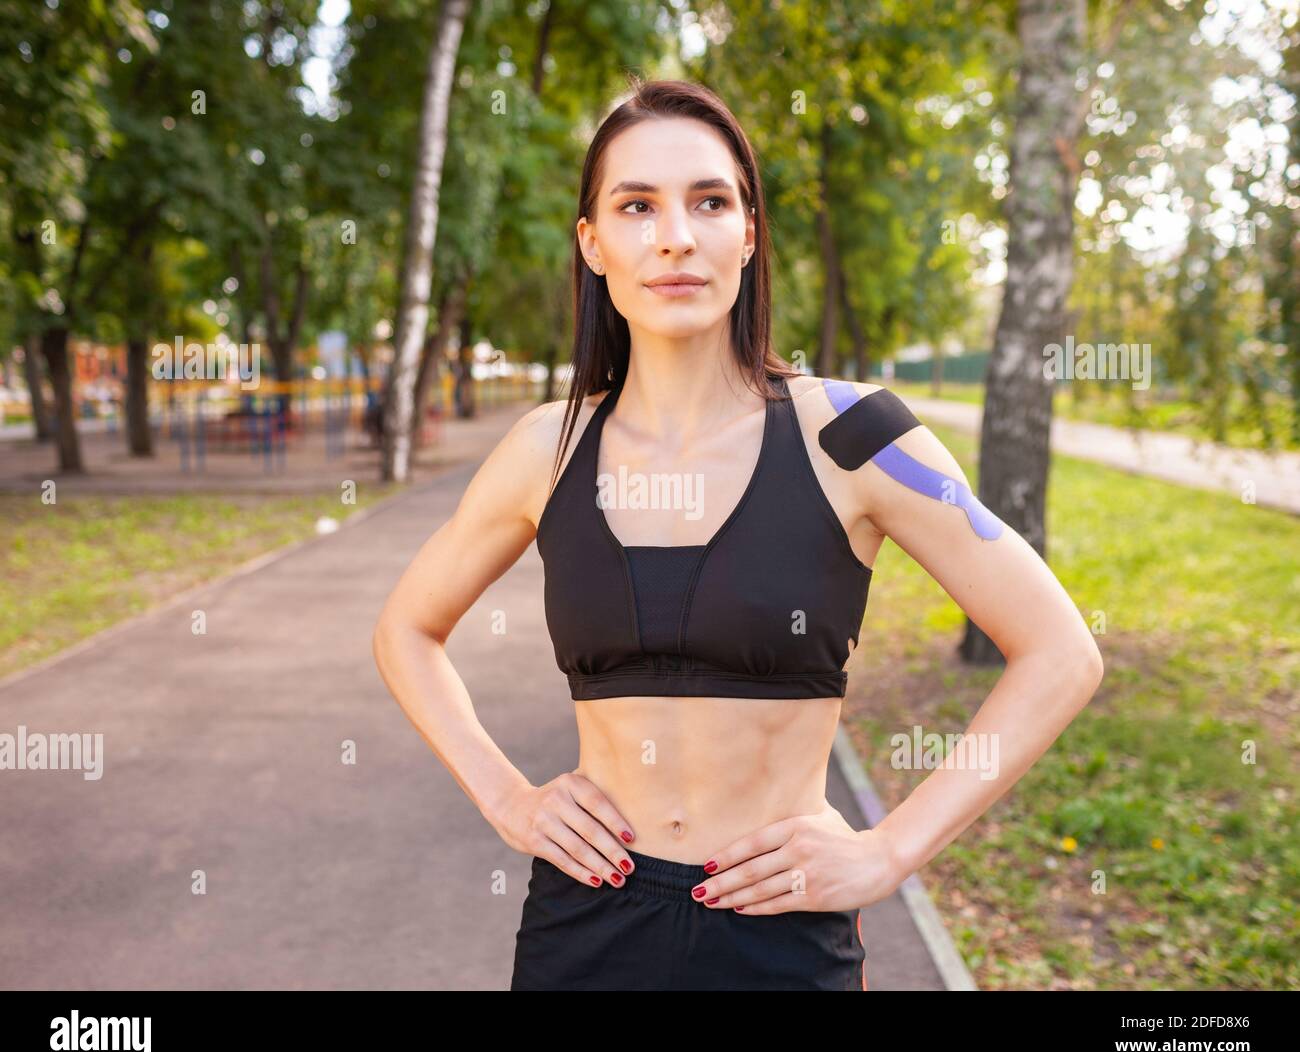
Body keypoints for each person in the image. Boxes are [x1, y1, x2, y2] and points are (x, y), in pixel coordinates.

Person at [371, 78, 1104, 991]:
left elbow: (1060, 652)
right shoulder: (545, 450)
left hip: (781, 934)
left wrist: (890, 852)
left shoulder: (854, 435)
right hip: (585, 925)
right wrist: (508, 797)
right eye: (637, 205)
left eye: (709, 201)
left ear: (748, 234)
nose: (675, 234)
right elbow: (406, 628)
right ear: (594, 245)